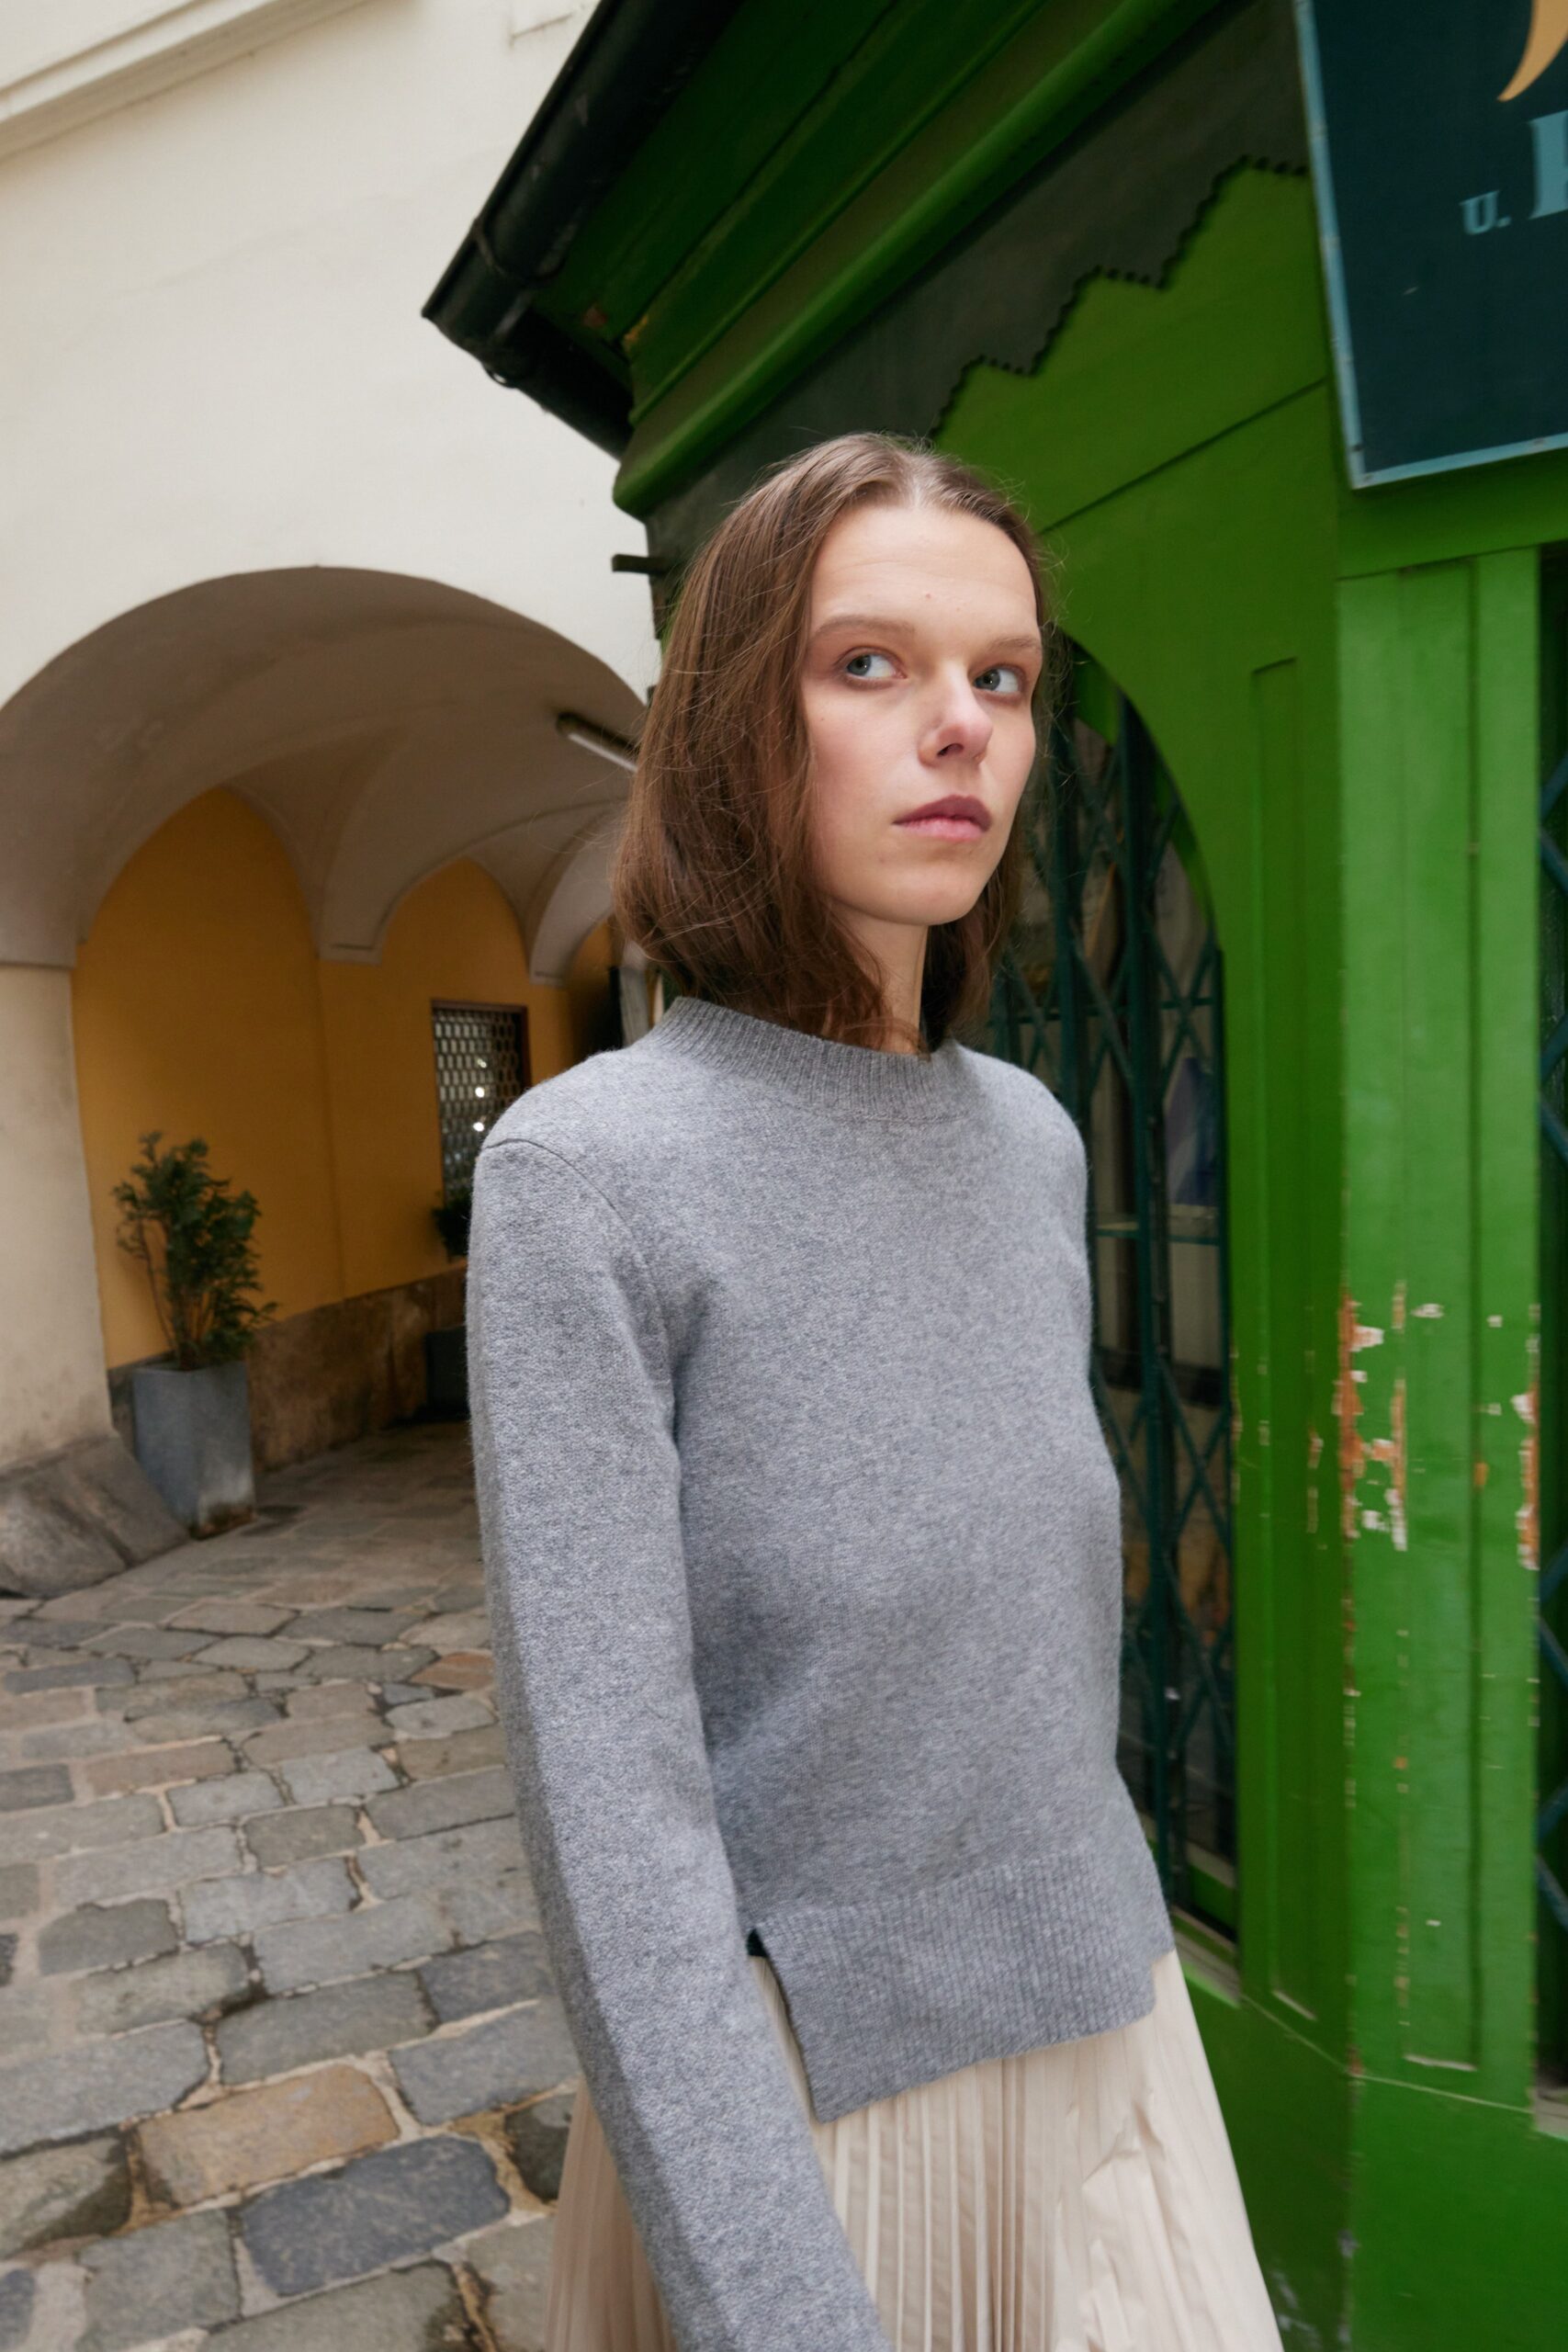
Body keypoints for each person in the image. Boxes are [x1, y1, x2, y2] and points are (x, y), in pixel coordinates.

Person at [466, 433, 1284, 2352]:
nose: (961, 730)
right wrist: (771, 2293)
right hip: (813, 2098)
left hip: (1108, 2034)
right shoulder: (587, 1175)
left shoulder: (1021, 1134)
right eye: (870, 666)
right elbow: (613, 1824)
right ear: (741, 718)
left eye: (998, 678)